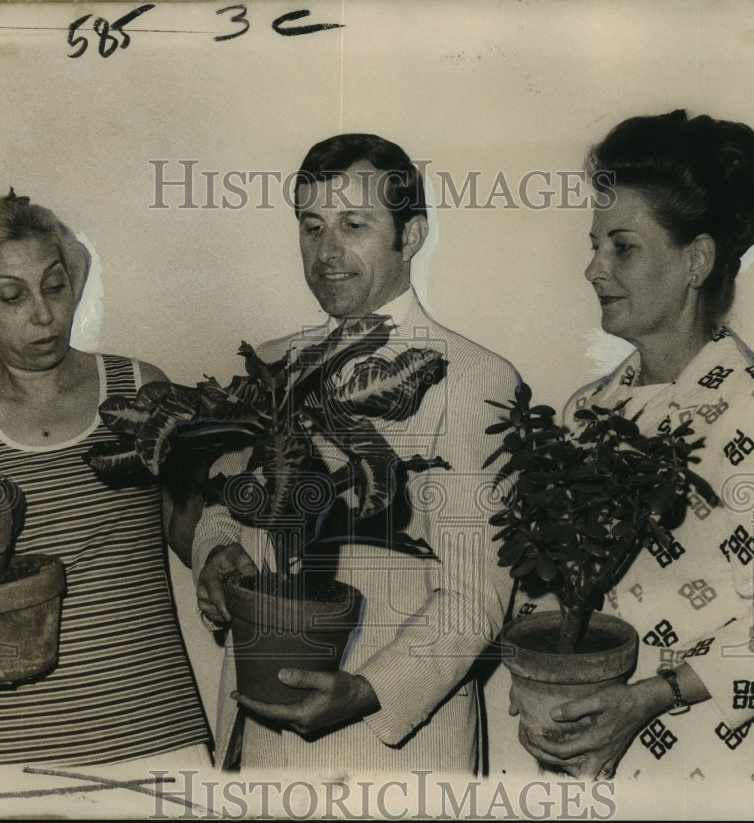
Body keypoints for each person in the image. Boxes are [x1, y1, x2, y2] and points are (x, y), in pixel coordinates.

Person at [511, 111, 754, 780]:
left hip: (716, 767)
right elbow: (546, 589)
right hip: (583, 767)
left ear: (696, 259)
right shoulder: (585, 413)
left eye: (622, 246)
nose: (593, 267)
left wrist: (650, 696)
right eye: (595, 243)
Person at [195, 134, 521, 773]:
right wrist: (215, 553)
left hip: (391, 755)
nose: (327, 252)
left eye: (355, 225)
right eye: (311, 226)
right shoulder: (271, 364)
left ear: (413, 233)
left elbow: (477, 595)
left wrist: (371, 690)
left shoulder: (473, 379)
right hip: (256, 742)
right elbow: (222, 508)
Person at [0, 190, 214, 765]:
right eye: (11, 296)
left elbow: (190, 528)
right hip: (12, 740)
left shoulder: (139, 388)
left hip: (153, 726)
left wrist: (227, 560)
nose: (44, 314)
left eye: (54, 286)